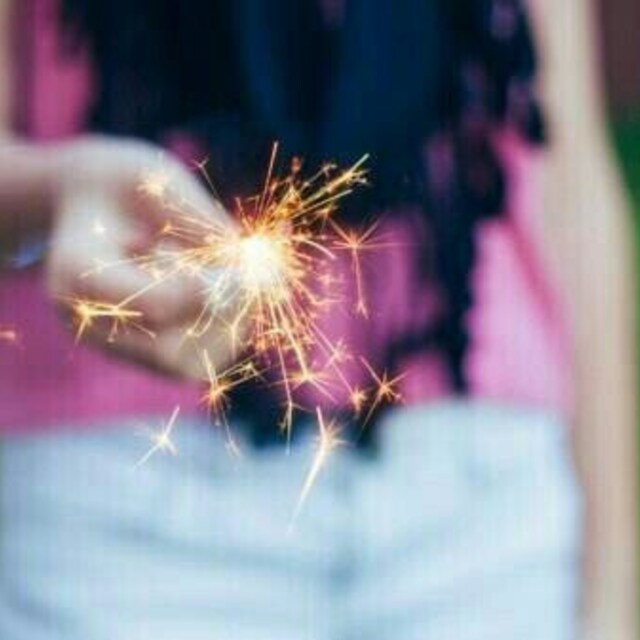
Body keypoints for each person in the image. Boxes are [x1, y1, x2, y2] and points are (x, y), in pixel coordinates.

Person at [0, 0, 636, 638]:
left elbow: (568, 161)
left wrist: (616, 587)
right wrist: (63, 193)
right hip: (127, 503)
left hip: (491, 499)